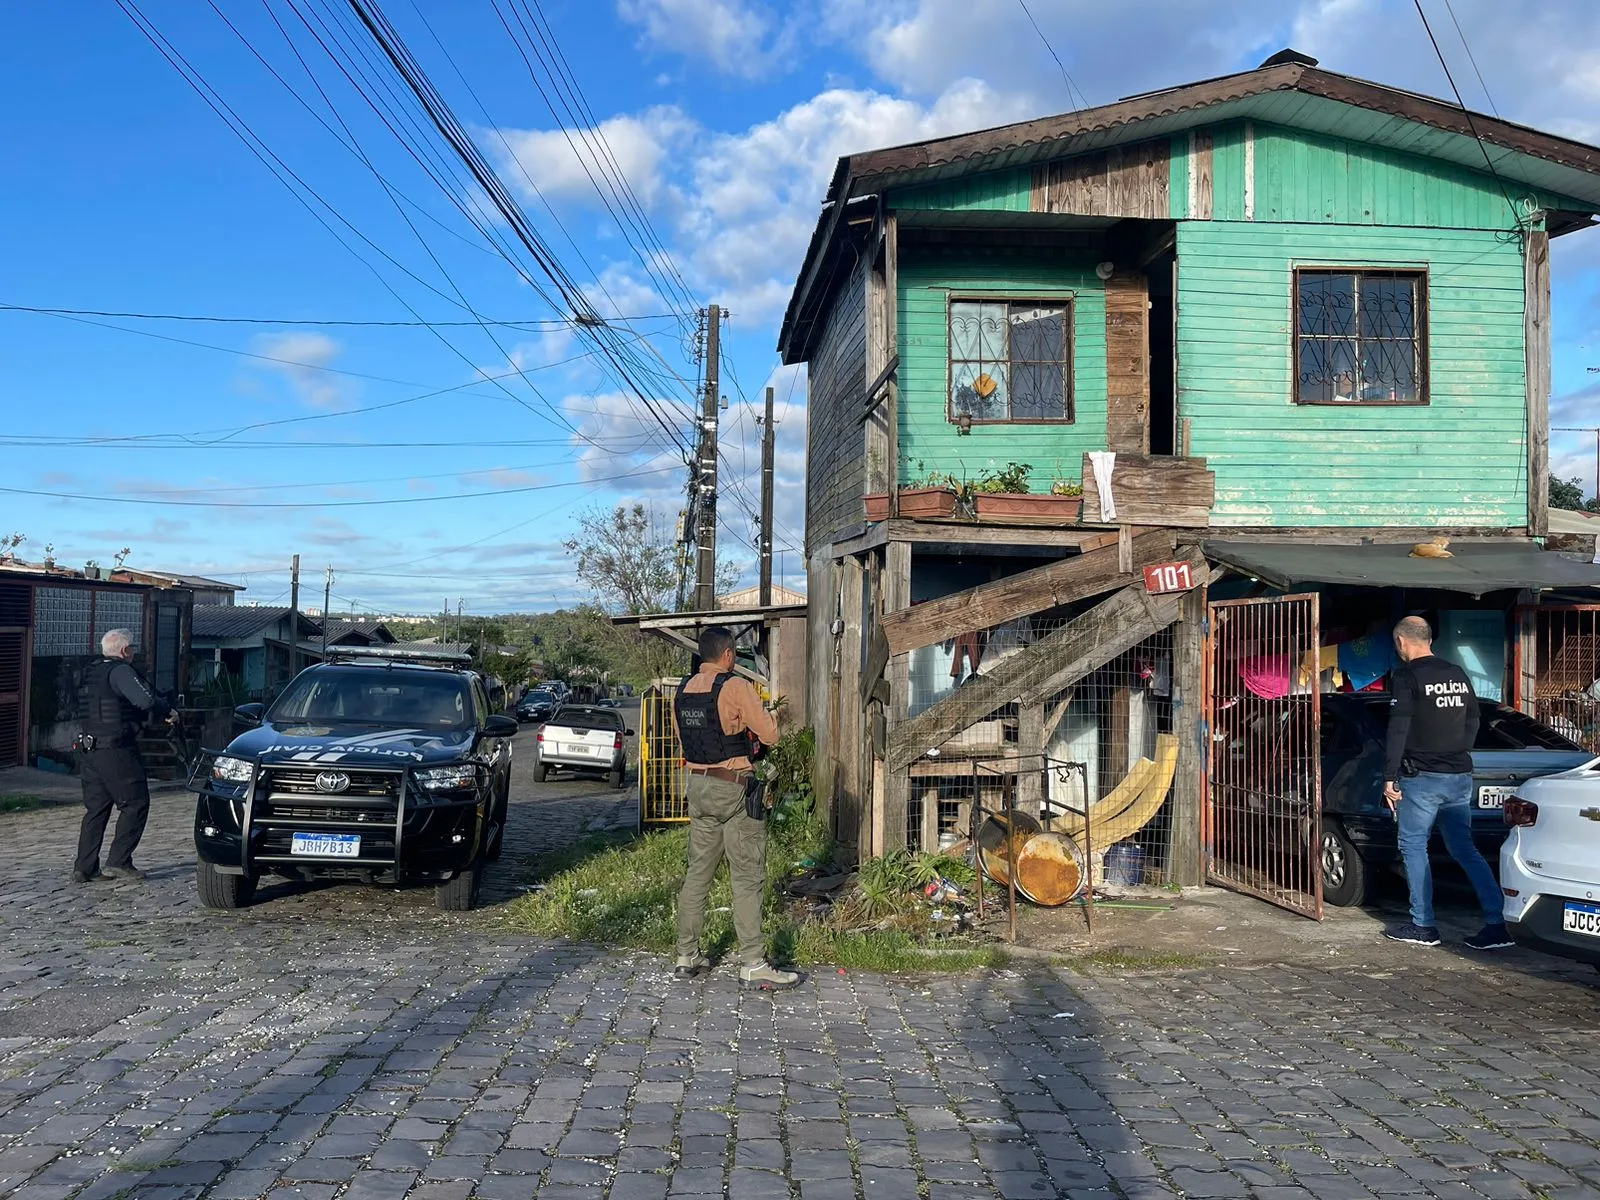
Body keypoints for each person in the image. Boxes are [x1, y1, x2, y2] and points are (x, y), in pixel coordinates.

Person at [673, 626, 800, 990]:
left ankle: (687, 954)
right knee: (746, 878)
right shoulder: (735, 687)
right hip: (734, 788)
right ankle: (753, 962)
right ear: (728, 655)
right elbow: (771, 734)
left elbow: (684, 741)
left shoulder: (681, 692)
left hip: (697, 787)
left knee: (698, 872)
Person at [1382, 616, 1511, 950]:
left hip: (1423, 777)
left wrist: (1389, 777)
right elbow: (1473, 718)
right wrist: (1457, 750)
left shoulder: (1407, 676)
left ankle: (1423, 925)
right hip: (1459, 774)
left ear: (1401, 642)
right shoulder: (1456, 673)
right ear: (1429, 640)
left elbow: (1398, 728)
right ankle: (1498, 924)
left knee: (1412, 846)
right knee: (1465, 849)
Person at [72, 629, 174, 884]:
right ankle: (119, 861)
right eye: (133, 649)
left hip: (88, 749)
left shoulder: (90, 671)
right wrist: (168, 710)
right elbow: (144, 700)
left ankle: (84, 867)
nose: (134, 653)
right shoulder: (120, 671)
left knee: (96, 809)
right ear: (125, 650)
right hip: (116, 750)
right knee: (135, 803)